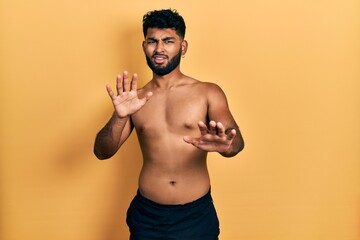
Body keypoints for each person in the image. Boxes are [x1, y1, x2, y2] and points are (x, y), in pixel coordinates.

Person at [94, 9, 244, 240]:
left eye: (168, 41)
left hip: (195, 215)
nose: (160, 49)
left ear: (183, 47)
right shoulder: (135, 99)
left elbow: (236, 143)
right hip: (148, 216)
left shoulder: (207, 92)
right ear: (144, 46)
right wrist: (120, 116)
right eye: (152, 41)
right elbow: (102, 152)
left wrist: (226, 145)